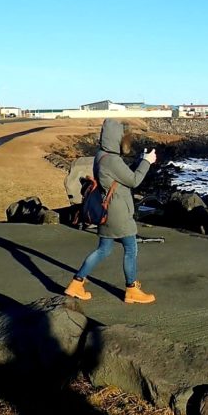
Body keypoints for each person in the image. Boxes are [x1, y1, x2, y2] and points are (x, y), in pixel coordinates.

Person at [64, 119, 157, 304]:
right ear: (117, 138)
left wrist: (139, 161)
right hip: (118, 213)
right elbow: (134, 181)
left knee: (103, 249)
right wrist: (147, 162)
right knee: (131, 248)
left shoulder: (102, 155)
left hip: (107, 211)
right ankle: (131, 290)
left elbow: (120, 176)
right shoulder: (113, 160)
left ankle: (76, 283)